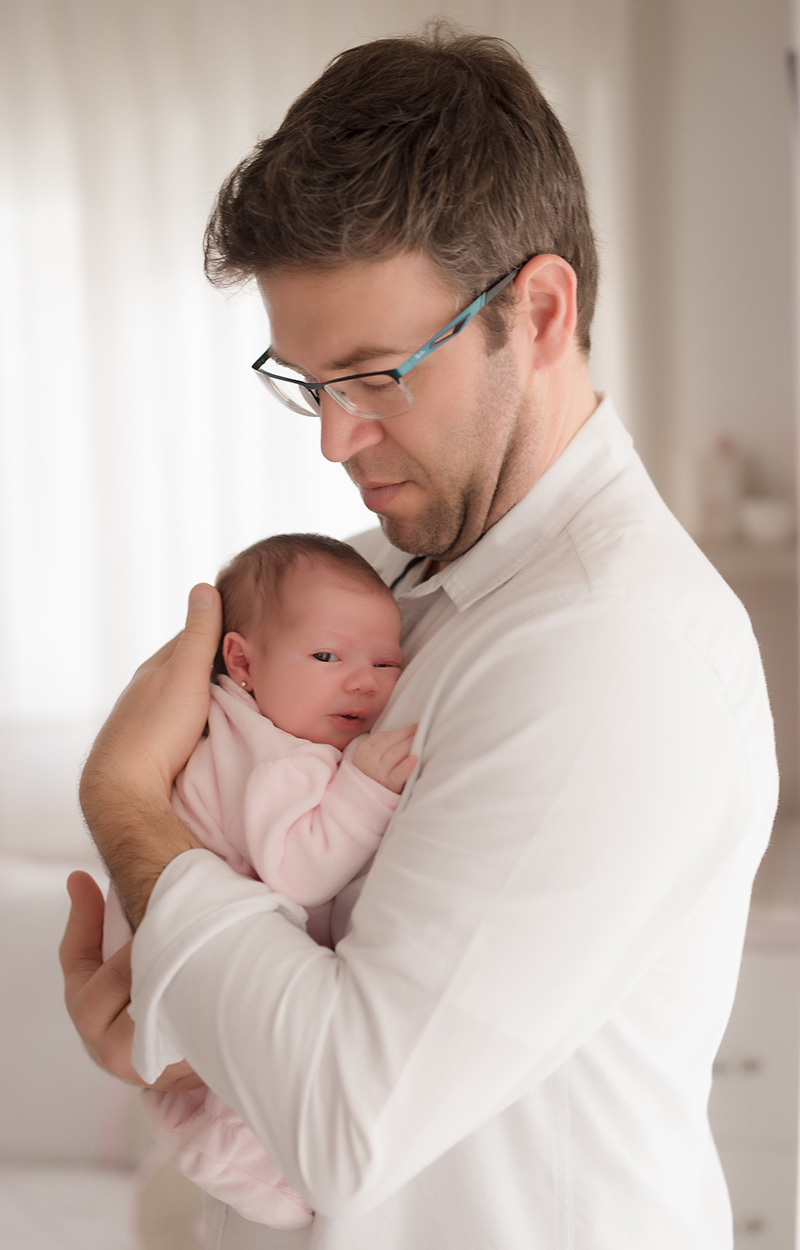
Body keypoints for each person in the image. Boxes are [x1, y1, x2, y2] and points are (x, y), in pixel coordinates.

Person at [60, 22, 778, 1250]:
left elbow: (344, 1118)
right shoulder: (393, 575)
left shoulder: (614, 651)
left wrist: (124, 805)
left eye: (376, 373)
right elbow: (270, 928)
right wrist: (160, 1021)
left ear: (538, 313)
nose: (331, 440)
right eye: (306, 383)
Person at [102, 532, 416, 1229]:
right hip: (196, 1017)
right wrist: (364, 790)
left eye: (386, 662)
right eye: (327, 657)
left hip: (179, 997)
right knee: (268, 1168)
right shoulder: (279, 758)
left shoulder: (245, 726)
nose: (363, 681)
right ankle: (226, 1160)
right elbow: (299, 868)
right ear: (241, 660)